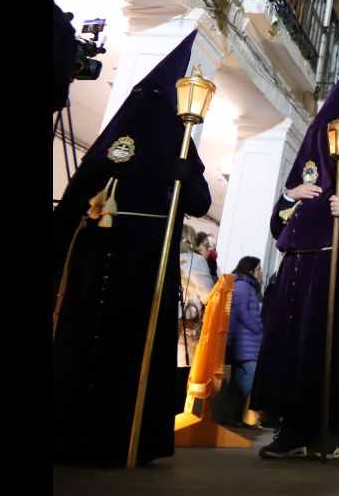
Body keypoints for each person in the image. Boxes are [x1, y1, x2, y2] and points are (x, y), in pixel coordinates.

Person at [52, 30, 211, 467]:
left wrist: (185, 175)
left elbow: (199, 200)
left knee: (126, 350)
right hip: (96, 256)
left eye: (154, 99)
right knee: (82, 344)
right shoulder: (113, 141)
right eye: (142, 96)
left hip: (144, 265)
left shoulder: (179, 140)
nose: (146, 105)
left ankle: (124, 438)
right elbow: (78, 195)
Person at [251, 26, 339, 460]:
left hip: (332, 271)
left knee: (321, 350)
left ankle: (324, 426)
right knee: (288, 348)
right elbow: (279, 222)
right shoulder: (306, 168)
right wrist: (290, 196)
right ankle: (289, 428)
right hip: (295, 268)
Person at [223, 256, 264, 428]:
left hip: (244, 343)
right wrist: (258, 328)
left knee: (240, 382)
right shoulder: (243, 285)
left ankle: (232, 417)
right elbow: (241, 311)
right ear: (250, 270)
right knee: (249, 379)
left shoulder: (243, 285)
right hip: (246, 343)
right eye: (258, 269)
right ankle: (233, 417)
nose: (261, 272)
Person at [177, 233, 217, 397]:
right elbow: (209, 296)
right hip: (185, 331)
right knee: (180, 386)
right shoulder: (196, 261)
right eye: (206, 245)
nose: (209, 250)